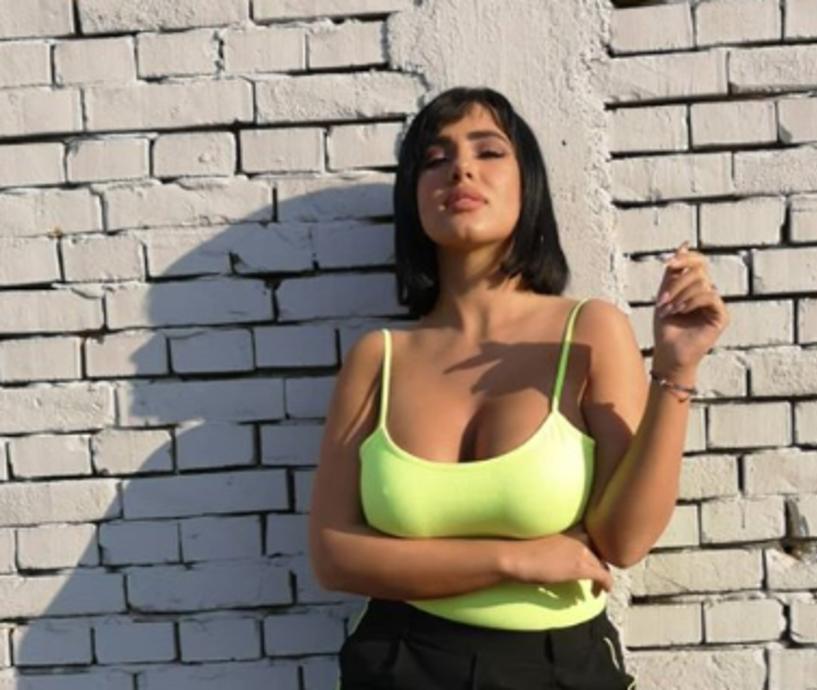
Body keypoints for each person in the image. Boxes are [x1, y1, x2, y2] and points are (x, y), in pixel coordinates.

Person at [308, 86, 730, 689]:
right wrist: (516, 558)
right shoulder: (378, 357)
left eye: (488, 151)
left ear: (527, 183)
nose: (461, 169)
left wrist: (677, 368)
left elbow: (623, 541)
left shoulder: (589, 331)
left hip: (557, 666)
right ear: (414, 198)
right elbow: (333, 555)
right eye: (435, 159)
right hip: (400, 660)